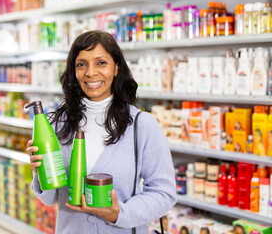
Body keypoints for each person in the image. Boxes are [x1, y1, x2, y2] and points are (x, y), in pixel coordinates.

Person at [26, 30, 176, 234]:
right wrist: (40, 172)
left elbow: (164, 193)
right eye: (81, 64)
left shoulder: (142, 125)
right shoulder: (56, 125)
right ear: (73, 71)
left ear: (116, 68)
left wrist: (118, 213)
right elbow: (51, 198)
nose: (90, 73)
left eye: (101, 63)